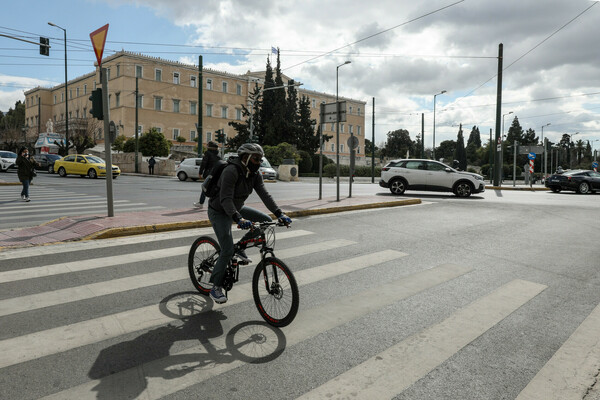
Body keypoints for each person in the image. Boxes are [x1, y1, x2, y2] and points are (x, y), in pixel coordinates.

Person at [207, 143, 292, 304]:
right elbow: (225, 199)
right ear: (245, 158)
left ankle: (240, 248)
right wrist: (239, 219)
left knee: (266, 221)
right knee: (226, 250)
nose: (259, 162)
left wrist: (279, 213)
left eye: (261, 159)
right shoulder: (231, 171)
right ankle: (215, 287)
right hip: (219, 210)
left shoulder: (255, 174)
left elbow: (265, 195)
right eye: (256, 158)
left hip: (237, 208)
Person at [194, 141, 221, 209]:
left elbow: (204, 163)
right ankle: (214, 203)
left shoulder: (207, 153)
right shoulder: (218, 154)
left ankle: (201, 203)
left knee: (205, 187)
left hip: (209, 173)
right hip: (217, 173)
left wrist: (200, 172)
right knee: (214, 188)